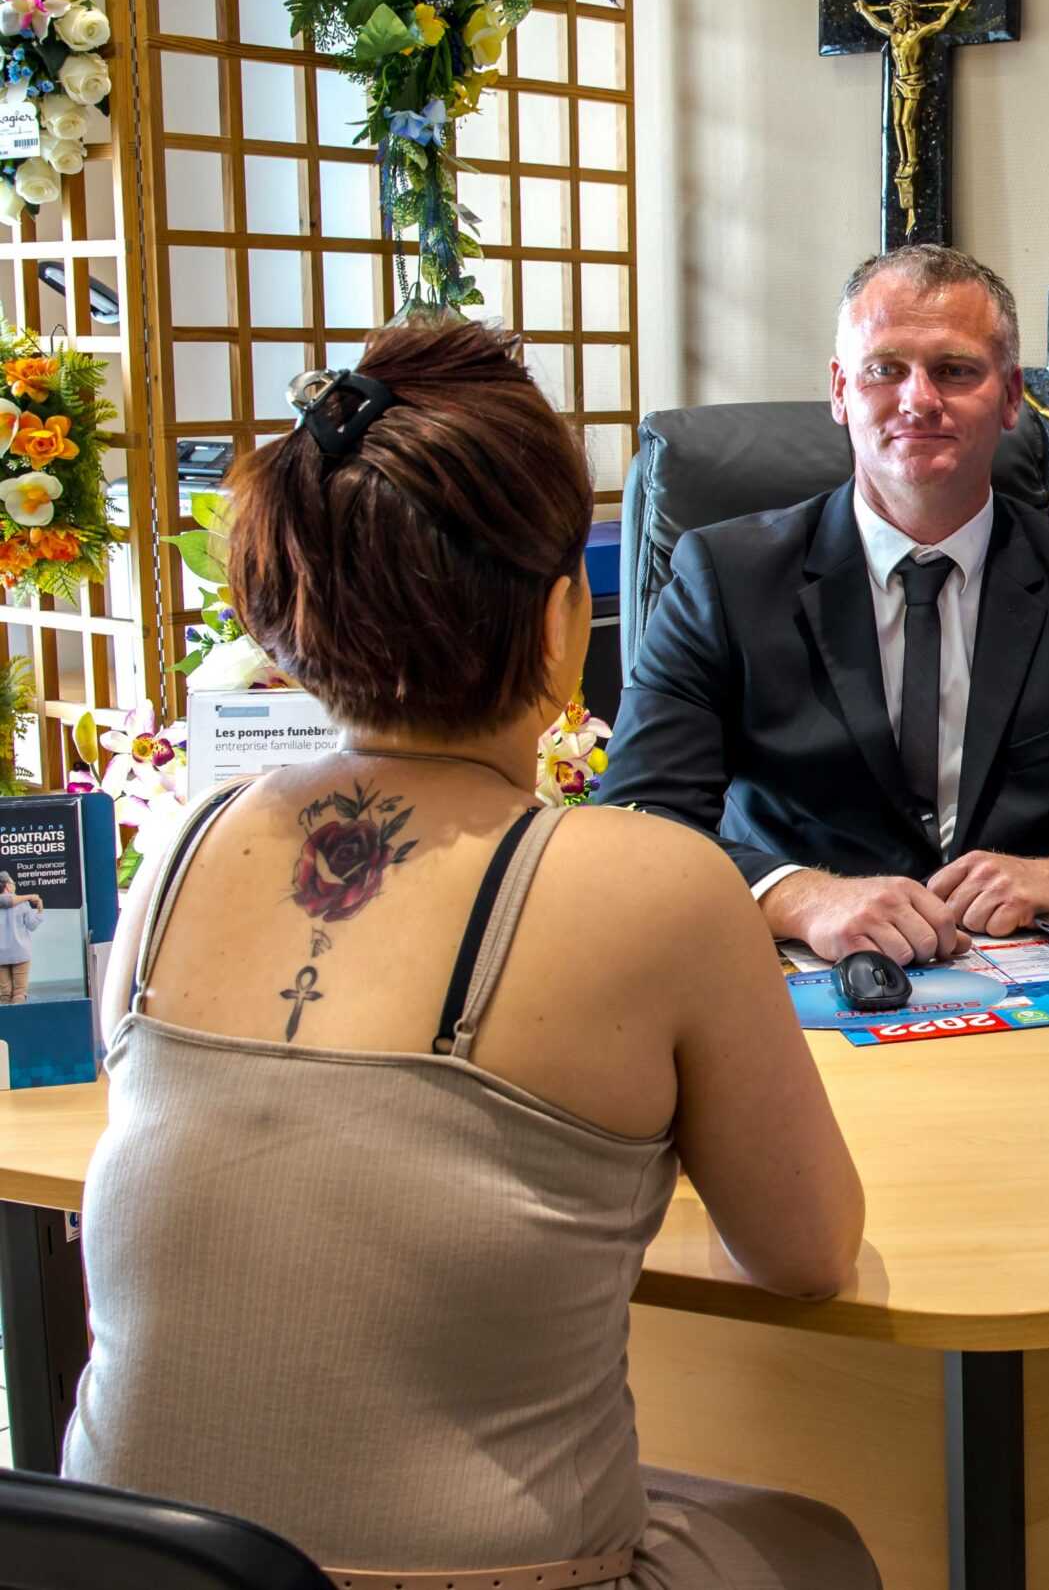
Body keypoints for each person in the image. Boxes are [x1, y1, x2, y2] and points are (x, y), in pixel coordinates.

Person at [64, 319, 882, 1590]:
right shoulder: (650, 882)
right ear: (567, 619)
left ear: (295, 608)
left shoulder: (178, 843)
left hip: (120, 1567)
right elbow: (807, 1251)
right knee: (823, 1543)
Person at [601, 246, 1049, 965]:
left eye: (954, 370)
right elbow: (637, 824)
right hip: (798, 981)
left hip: (1041, 992)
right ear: (840, 390)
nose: (918, 399)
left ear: (1012, 396)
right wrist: (800, 897)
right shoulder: (724, 579)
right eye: (885, 369)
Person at [0, 869, 42, 1003]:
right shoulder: (22, 904)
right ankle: (19, 1022)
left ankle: (6, 1023)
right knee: (20, 993)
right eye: (12, 882)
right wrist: (40, 909)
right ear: (7, 885)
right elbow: (32, 925)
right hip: (21, 953)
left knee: (4, 995)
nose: (14, 884)